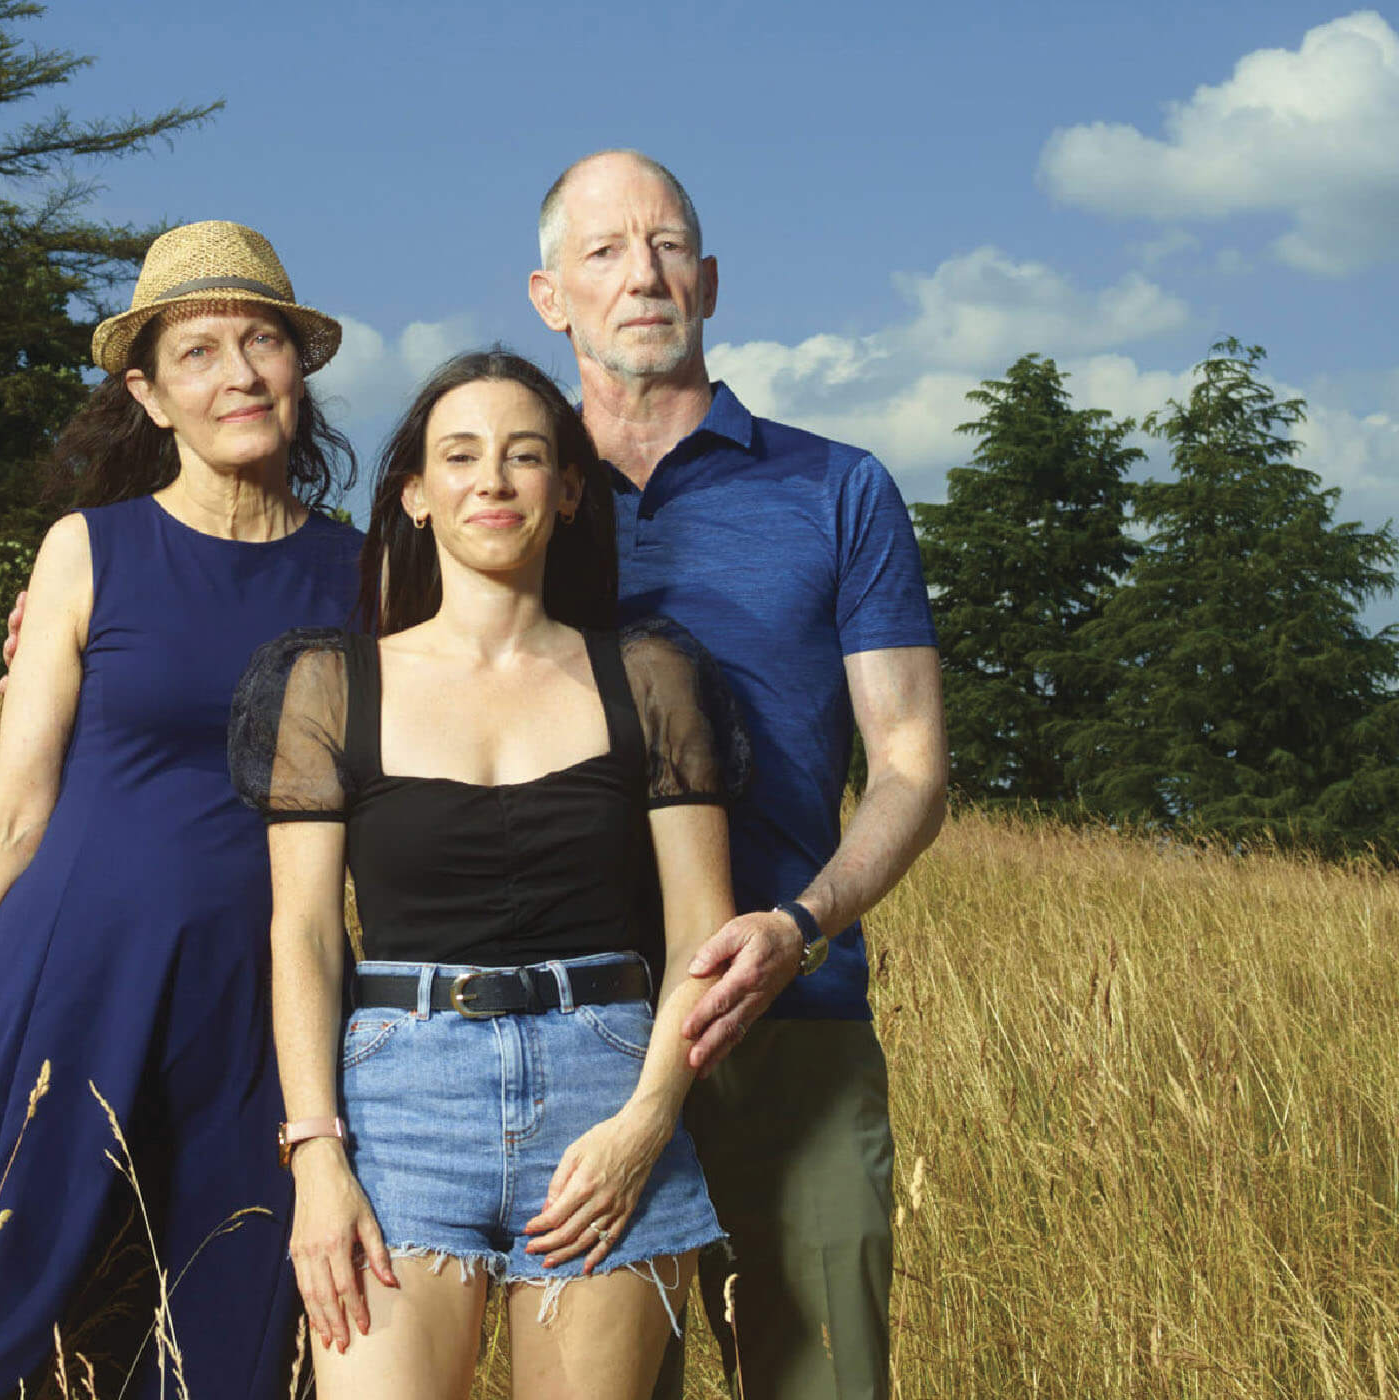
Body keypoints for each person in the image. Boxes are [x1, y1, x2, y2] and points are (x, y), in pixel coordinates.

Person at [0, 221, 363, 1400]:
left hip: (264, 1000)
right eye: (199, 352)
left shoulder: (365, 574)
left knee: (229, 1338)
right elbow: (10, 813)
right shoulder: (88, 550)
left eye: (264, 341)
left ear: (300, 366)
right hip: (66, 974)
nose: (238, 373)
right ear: (148, 391)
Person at [228, 349, 747, 1400]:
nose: (492, 481)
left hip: (607, 1082)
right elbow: (304, 934)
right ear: (415, 494)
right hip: (398, 1100)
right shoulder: (331, 684)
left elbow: (702, 929)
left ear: (566, 491)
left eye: (524, 455)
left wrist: (648, 1121)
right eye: (458, 455)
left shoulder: (648, 677)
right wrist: (317, 1155)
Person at [527, 150, 948, 1400]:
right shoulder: (501, 493)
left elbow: (913, 769)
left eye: (666, 246)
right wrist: (60, 608)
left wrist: (799, 926)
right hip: (578, 1027)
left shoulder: (837, 487)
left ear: (708, 281)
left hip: (791, 1019)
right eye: (602, 251)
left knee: (823, 1381)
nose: (640, 274)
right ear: (549, 295)